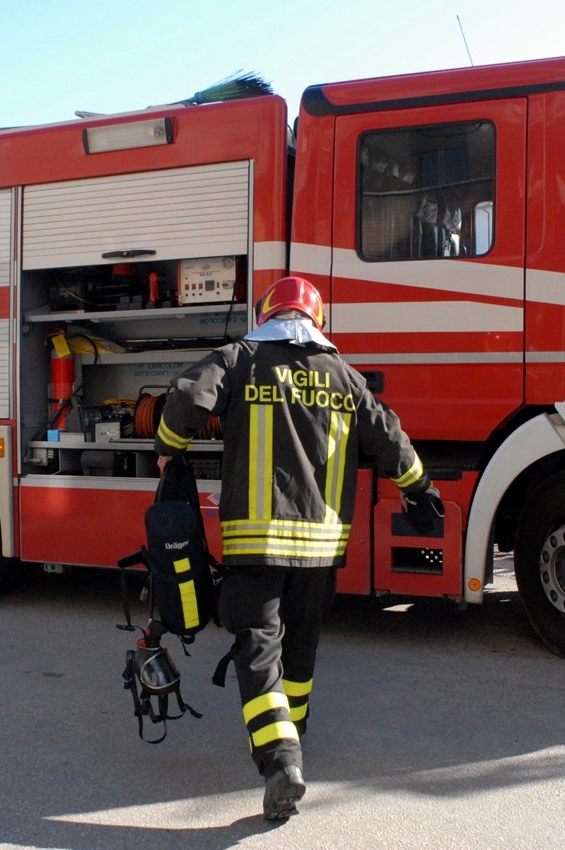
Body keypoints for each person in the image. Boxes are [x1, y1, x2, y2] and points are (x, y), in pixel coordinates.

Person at [154, 276, 443, 820]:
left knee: (258, 645)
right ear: (317, 322)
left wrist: (168, 450)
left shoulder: (240, 358)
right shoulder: (346, 377)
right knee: (301, 648)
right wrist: (420, 491)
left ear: (266, 315)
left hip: (257, 543)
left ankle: (281, 757)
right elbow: (391, 438)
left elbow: (188, 398)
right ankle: (295, 732)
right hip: (320, 549)